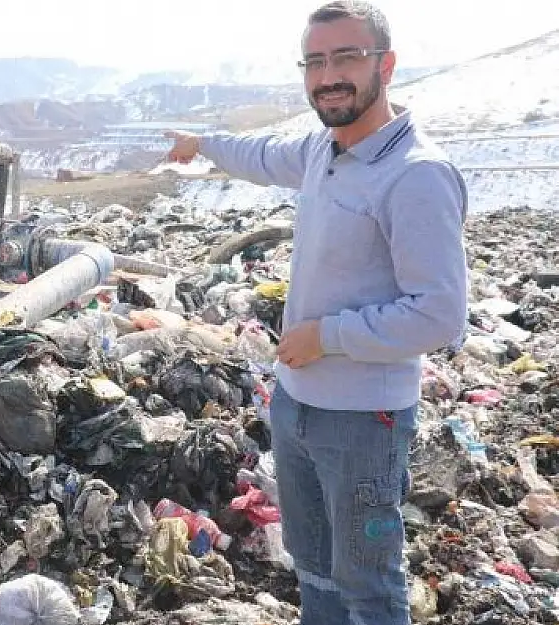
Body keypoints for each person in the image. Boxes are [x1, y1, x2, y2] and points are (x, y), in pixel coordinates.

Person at [165, 2, 468, 624]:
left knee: (368, 584)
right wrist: (203, 144)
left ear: (386, 64)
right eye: (316, 61)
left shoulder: (417, 175)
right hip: (297, 404)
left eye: (347, 57)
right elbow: (261, 154)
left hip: (364, 420)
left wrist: (325, 337)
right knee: (313, 569)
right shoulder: (321, 148)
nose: (329, 75)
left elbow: (439, 315)